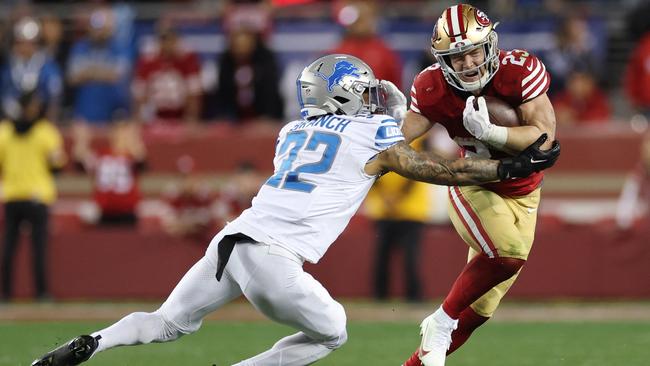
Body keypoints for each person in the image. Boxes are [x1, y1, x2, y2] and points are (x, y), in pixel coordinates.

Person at [30, 53, 559, 366]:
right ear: (353, 96)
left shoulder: (292, 131)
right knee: (333, 332)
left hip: (232, 241)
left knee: (166, 322)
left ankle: (93, 343)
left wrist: (394, 114)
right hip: (275, 259)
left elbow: (357, 142)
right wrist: (508, 169)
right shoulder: (371, 133)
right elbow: (445, 171)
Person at [397, 4, 558, 366]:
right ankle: (440, 320)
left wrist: (491, 132)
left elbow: (544, 138)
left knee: (482, 307)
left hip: (525, 191)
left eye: (473, 52)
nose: (468, 63)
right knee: (507, 253)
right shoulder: (431, 86)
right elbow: (397, 140)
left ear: (490, 46)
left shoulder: (519, 70)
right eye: (457, 57)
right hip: (476, 183)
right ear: (442, 61)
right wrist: (380, 128)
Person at [0, 90, 66, 301]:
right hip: (38, 196)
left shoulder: (5, 131)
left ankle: (6, 293)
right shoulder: (45, 131)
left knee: (10, 247)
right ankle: (41, 293)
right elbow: (57, 164)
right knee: (38, 248)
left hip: (13, 194)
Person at [365, 137, 430, 302]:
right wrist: (390, 197)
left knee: (409, 258)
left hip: (409, 210)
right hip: (388, 209)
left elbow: (422, 167)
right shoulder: (376, 136)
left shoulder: (420, 138)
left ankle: (412, 296)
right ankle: (381, 296)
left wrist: (392, 197)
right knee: (383, 257)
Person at [72, 121, 146, 226]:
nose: (123, 137)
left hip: (127, 212)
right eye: (120, 133)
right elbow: (80, 164)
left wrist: (134, 140)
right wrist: (81, 140)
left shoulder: (131, 156)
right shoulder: (102, 154)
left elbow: (142, 162)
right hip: (103, 211)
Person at [132, 24, 201, 125]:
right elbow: (139, 94)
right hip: (155, 118)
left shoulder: (187, 61)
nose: (167, 44)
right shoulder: (147, 62)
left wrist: (191, 118)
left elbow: (194, 93)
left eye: (170, 40)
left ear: (176, 40)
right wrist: (139, 119)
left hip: (180, 117)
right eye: (163, 40)